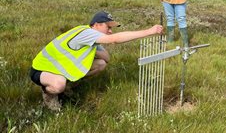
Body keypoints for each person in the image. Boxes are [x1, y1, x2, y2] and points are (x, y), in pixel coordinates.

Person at [30, 11, 163, 111]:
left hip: (59, 69)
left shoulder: (92, 39)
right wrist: (148, 31)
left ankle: (68, 86)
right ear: (96, 25)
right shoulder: (86, 33)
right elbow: (115, 40)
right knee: (59, 84)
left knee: (101, 64)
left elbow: (107, 58)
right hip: (42, 70)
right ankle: (49, 94)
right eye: (108, 27)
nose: (110, 31)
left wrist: (94, 50)